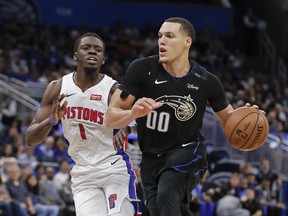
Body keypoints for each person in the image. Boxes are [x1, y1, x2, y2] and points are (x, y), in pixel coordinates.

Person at [105, 17, 263, 216]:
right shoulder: (140, 69)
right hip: (151, 159)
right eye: (160, 36)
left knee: (167, 193)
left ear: (187, 41)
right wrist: (133, 113)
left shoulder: (207, 81)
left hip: (188, 152)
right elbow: (110, 117)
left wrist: (247, 118)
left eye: (170, 36)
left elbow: (229, 121)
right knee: (163, 210)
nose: (162, 41)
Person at [25, 32, 140, 216]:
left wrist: (126, 129)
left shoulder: (113, 90)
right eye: (86, 48)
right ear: (75, 55)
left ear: (103, 59)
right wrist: (51, 121)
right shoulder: (57, 88)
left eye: (98, 50)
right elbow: (30, 138)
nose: (92, 52)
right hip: (83, 173)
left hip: (114, 168)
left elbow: (145, 117)